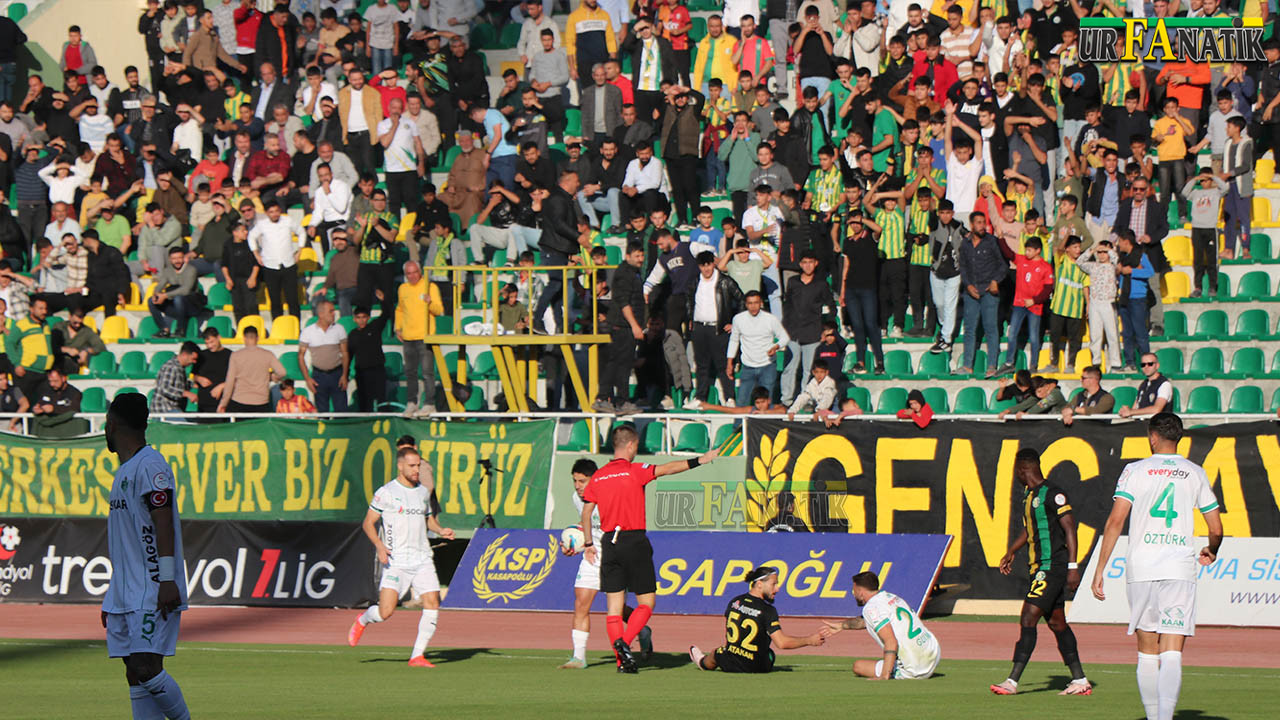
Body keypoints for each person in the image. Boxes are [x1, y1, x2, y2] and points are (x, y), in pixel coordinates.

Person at [1092, 412, 1224, 720]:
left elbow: (1115, 520)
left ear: (1153, 437)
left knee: (1147, 648)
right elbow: (1215, 528)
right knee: (1173, 650)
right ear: (1178, 437)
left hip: (1142, 567)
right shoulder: (1194, 472)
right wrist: (1211, 549)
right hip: (1179, 566)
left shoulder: (1135, 470)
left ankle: (1154, 718)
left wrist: (1100, 569)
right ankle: (1165, 717)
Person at [580, 424, 716, 672]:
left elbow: (586, 513)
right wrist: (701, 460)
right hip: (633, 540)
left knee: (614, 608)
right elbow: (667, 469)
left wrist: (588, 544)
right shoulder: (635, 470)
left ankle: (623, 662)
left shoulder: (598, 476)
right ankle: (624, 641)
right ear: (631, 445)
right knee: (647, 602)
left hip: (608, 542)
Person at [101, 392, 191, 720]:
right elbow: (127, 543)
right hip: (126, 594)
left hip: (151, 590)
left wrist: (167, 578)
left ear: (111, 425)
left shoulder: (150, 465)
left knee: (146, 666)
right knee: (134, 672)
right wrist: (113, 598)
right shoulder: (126, 470)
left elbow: (162, 521)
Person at [990, 448, 1092, 697]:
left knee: (1028, 617)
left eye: (1016, 470)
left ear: (1023, 469)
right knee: (1058, 623)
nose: (1015, 475)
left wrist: (1072, 567)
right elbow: (1030, 529)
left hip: (1052, 566)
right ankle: (1080, 680)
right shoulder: (1029, 496)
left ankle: (1012, 681)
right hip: (1038, 568)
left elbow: (1070, 529)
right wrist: (1012, 550)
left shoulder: (1053, 493)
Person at [347, 446, 456, 667]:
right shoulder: (386, 492)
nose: (417, 470)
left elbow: (429, 520)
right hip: (397, 561)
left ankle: (417, 655)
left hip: (422, 558)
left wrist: (440, 529)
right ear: (400, 466)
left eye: (418, 466)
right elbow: (368, 523)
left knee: (433, 602)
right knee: (385, 612)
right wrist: (379, 545)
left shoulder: (423, 492)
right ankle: (364, 619)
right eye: (412, 466)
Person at [557, 458, 652, 669]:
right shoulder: (577, 498)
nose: (578, 486)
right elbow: (585, 523)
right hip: (593, 554)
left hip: (616, 552)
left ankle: (641, 631)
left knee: (616, 611)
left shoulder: (610, 492)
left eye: (582, 481)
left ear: (596, 479)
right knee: (581, 602)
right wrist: (574, 543)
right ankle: (578, 657)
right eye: (575, 481)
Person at [689, 566, 825, 673]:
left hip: (730, 662)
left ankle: (702, 663)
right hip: (758, 666)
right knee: (770, 653)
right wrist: (809, 640)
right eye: (774, 584)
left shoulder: (735, 601)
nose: (777, 589)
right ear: (759, 584)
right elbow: (782, 643)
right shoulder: (767, 610)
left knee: (716, 652)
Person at [821, 570, 941, 680]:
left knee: (858, 667)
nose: (853, 594)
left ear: (861, 592)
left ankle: (896, 670)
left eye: (854, 591)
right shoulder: (890, 597)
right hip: (933, 653)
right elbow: (865, 621)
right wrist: (842, 626)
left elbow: (891, 642)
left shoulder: (871, 608)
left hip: (915, 669)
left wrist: (885, 675)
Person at [396, 261, 444, 417]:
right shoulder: (403, 289)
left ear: (420, 272)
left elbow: (439, 310)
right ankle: (412, 402)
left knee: (427, 372)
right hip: (408, 336)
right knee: (410, 372)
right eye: (408, 273)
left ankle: (429, 403)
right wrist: (398, 327)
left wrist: (429, 302)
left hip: (425, 336)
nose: (412, 276)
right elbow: (400, 309)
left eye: (414, 272)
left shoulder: (430, 287)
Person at [726, 290, 788, 406]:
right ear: (746, 304)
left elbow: (784, 337)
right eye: (750, 303)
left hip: (767, 366)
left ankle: (765, 424)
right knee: (742, 401)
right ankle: (739, 425)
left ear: (761, 303)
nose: (753, 306)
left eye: (756, 303)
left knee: (765, 403)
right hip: (748, 366)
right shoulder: (738, 319)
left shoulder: (770, 319)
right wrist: (730, 362)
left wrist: (776, 346)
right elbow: (734, 341)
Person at [216, 326, 287, 414]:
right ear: (257, 338)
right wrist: (273, 377)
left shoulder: (236, 355)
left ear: (244, 338)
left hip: (239, 400)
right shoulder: (268, 354)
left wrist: (223, 403)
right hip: (261, 401)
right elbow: (282, 372)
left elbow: (230, 381)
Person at [150, 341, 200, 415]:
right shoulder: (172, 366)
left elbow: (178, 385)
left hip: (172, 409)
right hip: (164, 410)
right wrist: (187, 394)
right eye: (193, 358)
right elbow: (165, 388)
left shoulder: (180, 368)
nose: (194, 362)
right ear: (184, 354)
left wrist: (193, 384)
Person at [1119, 353, 1173, 419]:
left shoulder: (1164, 384)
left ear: (1157, 366)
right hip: (1140, 424)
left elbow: (1156, 409)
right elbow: (1135, 407)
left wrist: (1130, 412)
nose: (1146, 367)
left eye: (1150, 364)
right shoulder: (1143, 385)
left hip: (1157, 426)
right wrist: (1126, 410)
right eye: (1143, 365)